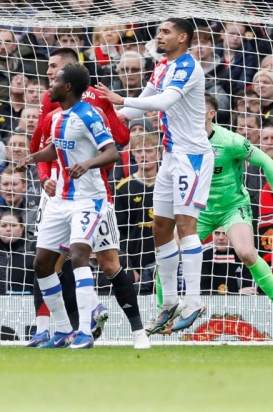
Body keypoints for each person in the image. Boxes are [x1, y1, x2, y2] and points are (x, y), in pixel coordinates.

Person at [95, 18, 214, 336]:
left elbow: (163, 102)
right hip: (171, 158)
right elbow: (139, 106)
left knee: (186, 225)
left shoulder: (188, 67)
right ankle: (170, 302)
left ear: (183, 37)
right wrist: (104, 118)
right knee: (161, 227)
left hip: (192, 159)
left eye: (166, 32)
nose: (159, 36)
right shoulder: (162, 66)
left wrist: (123, 100)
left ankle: (194, 301)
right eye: (158, 31)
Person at [18, 63, 121, 350]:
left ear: (67, 88)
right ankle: (63, 329)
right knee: (41, 264)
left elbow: (112, 151)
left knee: (78, 255)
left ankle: (85, 331)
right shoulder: (55, 118)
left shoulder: (90, 115)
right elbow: (56, 149)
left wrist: (87, 164)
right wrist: (33, 158)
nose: (48, 85)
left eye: (54, 81)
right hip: (60, 200)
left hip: (88, 200)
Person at [198, 93, 273, 335]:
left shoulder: (230, 140)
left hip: (233, 206)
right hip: (200, 208)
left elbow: (266, 161)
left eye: (198, 108)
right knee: (168, 252)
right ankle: (164, 311)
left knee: (246, 253)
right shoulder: (182, 139)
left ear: (211, 114)